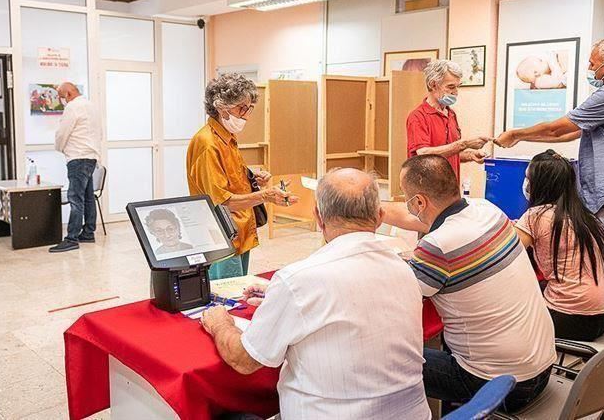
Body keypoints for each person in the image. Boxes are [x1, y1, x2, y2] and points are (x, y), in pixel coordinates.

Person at [201, 168, 431, 419]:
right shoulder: (404, 269)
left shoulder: (298, 280)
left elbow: (244, 360)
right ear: (379, 217)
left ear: (319, 217)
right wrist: (282, 297)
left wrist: (220, 323)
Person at [495, 37, 604, 320]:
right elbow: (571, 133)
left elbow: (558, 129)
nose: (589, 68)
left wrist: (516, 133)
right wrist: (520, 139)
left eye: (591, 63)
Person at [386, 155, 556, 412]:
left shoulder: (437, 246)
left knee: (385, 358)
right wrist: (379, 212)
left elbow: (395, 296)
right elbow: (425, 222)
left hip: (499, 387)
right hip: (542, 368)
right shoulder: (488, 210)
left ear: (419, 202)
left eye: (407, 198)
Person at [187, 73, 297, 279]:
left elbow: (226, 177)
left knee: (238, 286)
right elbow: (222, 202)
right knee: (226, 291)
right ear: (221, 107)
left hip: (239, 227)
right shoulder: (207, 143)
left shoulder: (226, 137)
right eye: (242, 108)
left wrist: (251, 177)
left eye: (249, 108)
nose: (246, 115)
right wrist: (266, 195)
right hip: (222, 233)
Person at [515, 150, 604, 341]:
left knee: (507, 306)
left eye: (529, 179)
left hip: (567, 319)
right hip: (601, 319)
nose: (526, 184)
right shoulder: (587, 217)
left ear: (540, 184)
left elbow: (507, 254)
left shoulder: (536, 215)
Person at [406, 59, 490, 185]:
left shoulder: (451, 114)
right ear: (433, 85)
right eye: (451, 87)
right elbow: (424, 154)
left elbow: (448, 153)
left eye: (457, 86)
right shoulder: (418, 117)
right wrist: (464, 144)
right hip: (428, 190)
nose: (455, 92)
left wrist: (470, 155)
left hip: (451, 188)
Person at [49, 82, 102, 253]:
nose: (62, 100)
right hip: (91, 156)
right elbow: (99, 132)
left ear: (69, 94)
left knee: (75, 198)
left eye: (62, 97)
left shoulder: (72, 107)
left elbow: (62, 133)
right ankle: (88, 233)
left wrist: (59, 148)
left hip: (78, 157)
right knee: (88, 197)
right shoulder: (92, 106)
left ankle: (71, 238)